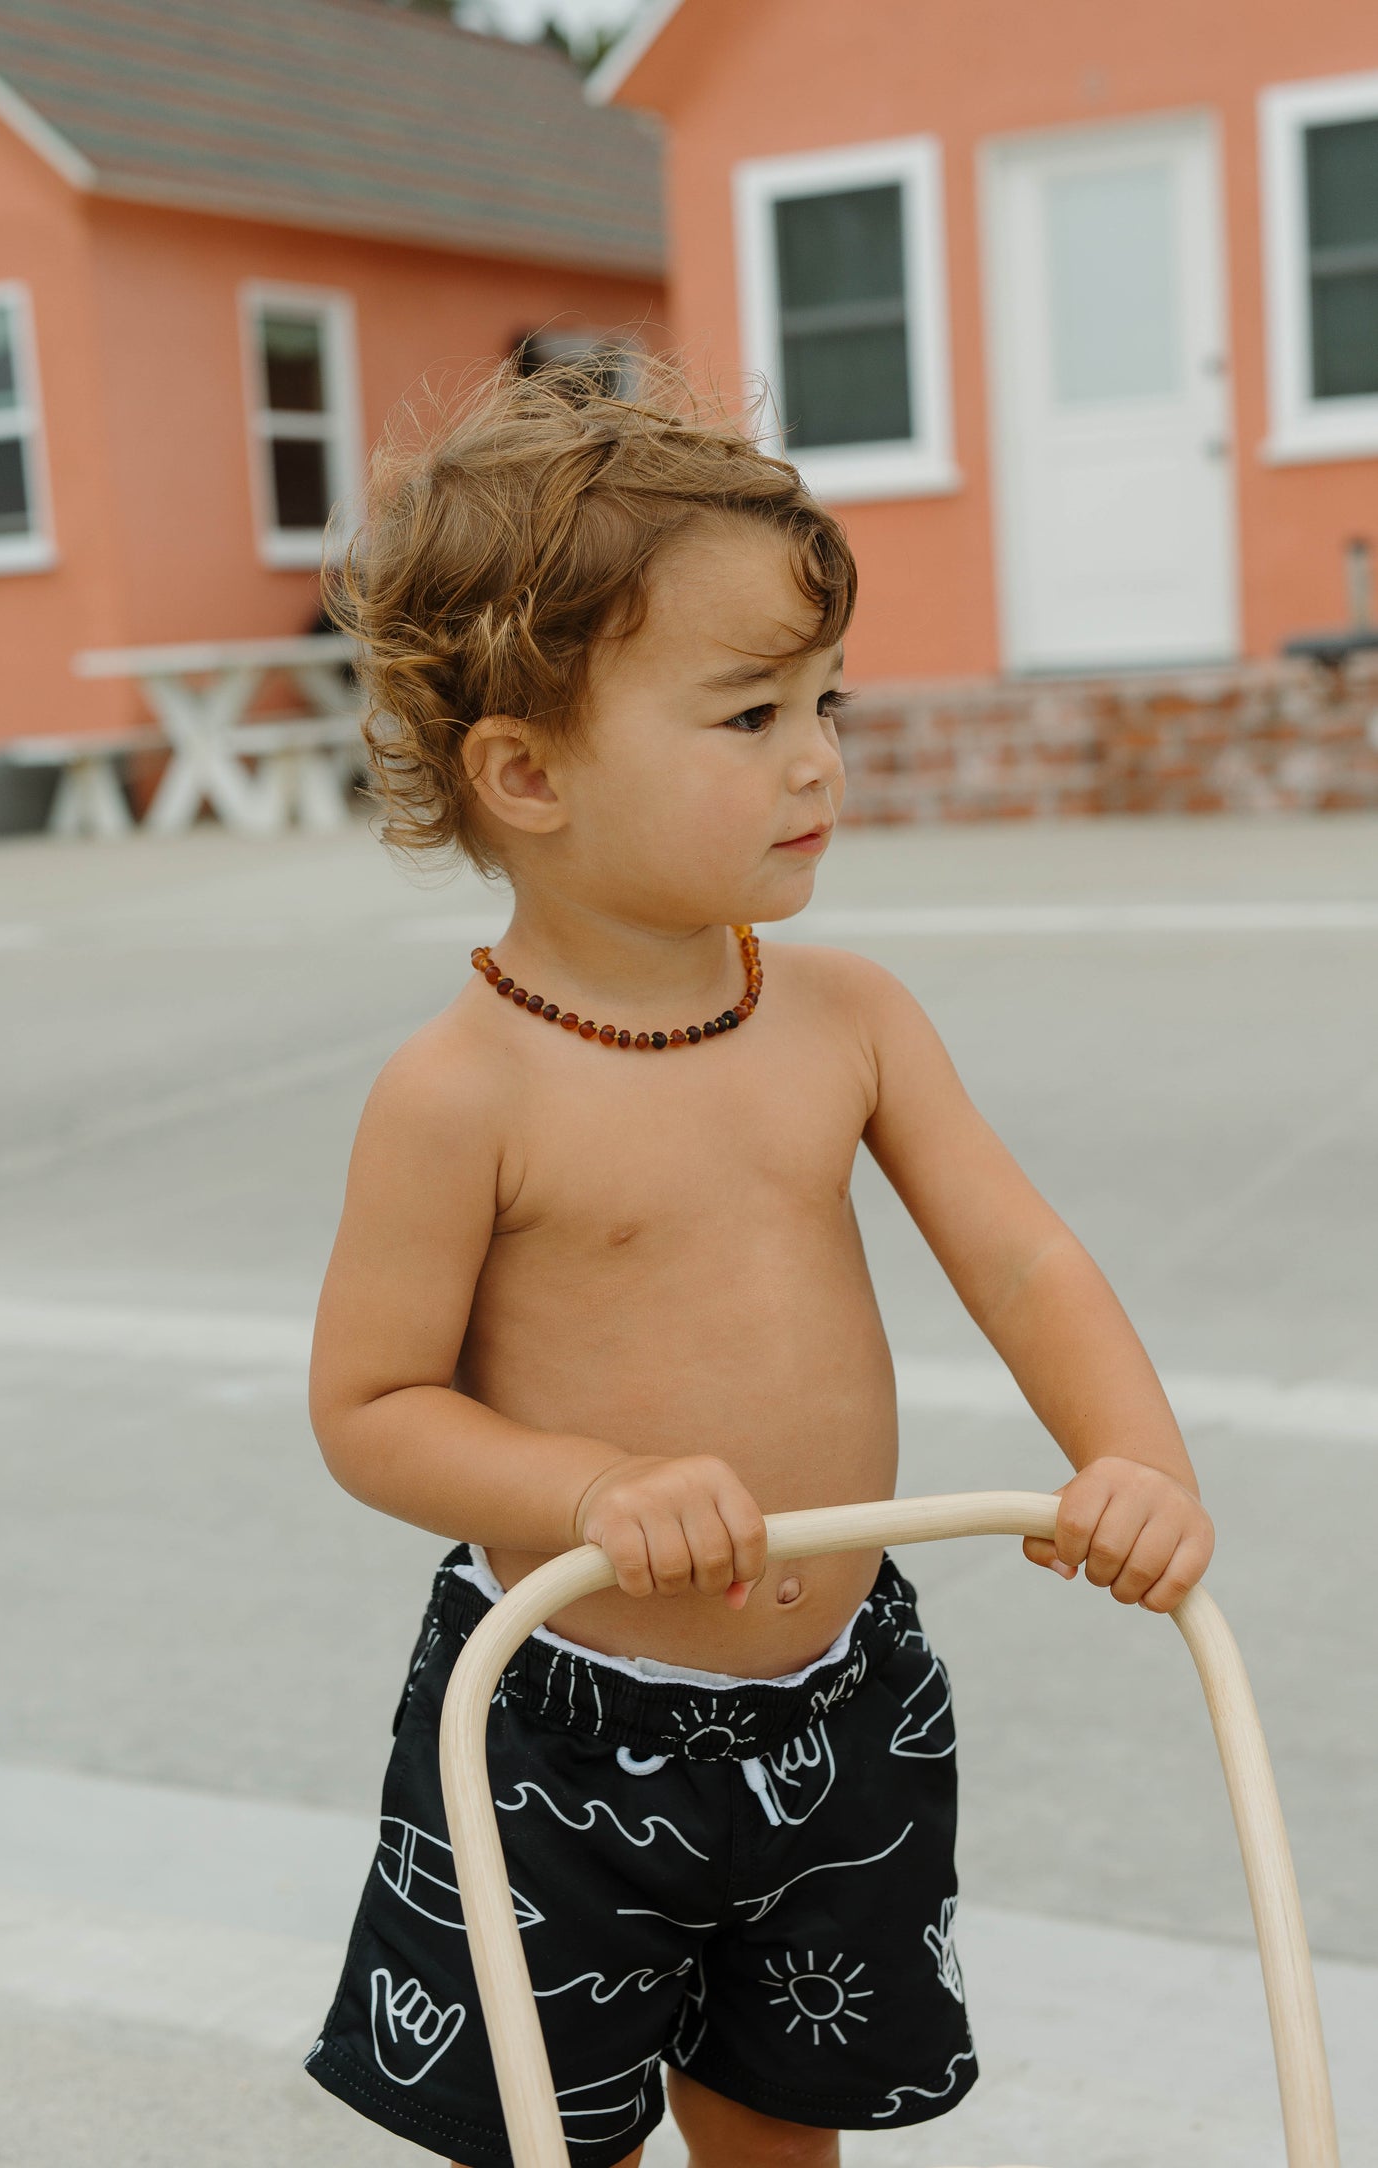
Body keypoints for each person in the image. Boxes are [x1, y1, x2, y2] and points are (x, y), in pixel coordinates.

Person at [302, 355, 1214, 2168]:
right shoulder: (459, 1092)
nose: (818, 759)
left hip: (838, 1700)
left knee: (785, 2131)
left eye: (825, 700)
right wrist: (584, 1486)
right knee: (558, 2146)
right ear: (524, 772)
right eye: (745, 717)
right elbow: (371, 1408)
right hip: (562, 1721)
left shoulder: (846, 1018)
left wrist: (1134, 1459)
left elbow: (1023, 1262)